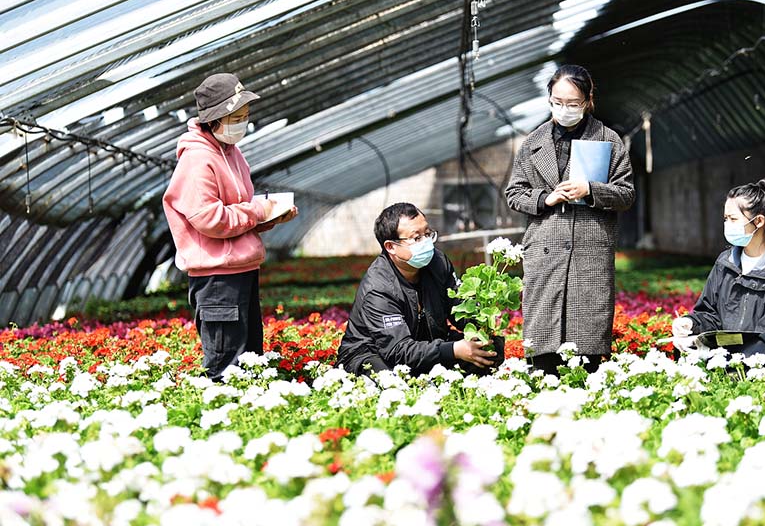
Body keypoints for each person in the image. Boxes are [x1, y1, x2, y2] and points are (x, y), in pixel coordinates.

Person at [163, 73, 298, 380]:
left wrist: (270, 217)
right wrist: (256, 211)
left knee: (250, 357)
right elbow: (209, 219)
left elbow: (238, 213)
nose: (243, 123)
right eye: (236, 117)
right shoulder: (198, 159)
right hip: (217, 279)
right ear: (215, 118)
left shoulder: (232, 153)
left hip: (242, 270)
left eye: (246, 116)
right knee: (227, 364)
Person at [505, 64, 635, 375]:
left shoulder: (608, 140)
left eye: (573, 103)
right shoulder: (533, 142)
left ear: (589, 100)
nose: (564, 110)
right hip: (544, 250)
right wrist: (544, 198)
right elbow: (514, 193)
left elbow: (626, 193)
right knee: (542, 345)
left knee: (585, 346)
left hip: (588, 253)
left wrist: (591, 190)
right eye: (557, 102)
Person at [337, 203, 500, 376]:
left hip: (426, 341)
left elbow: (458, 307)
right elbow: (397, 350)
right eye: (416, 238)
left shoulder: (437, 262)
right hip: (375, 353)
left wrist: (482, 323)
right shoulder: (379, 288)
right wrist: (453, 350)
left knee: (489, 350)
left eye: (427, 234)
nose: (426, 242)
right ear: (391, 247)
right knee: (390, 381)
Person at [671, 179, 765, 358]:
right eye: (725, 219)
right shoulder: (725, 262)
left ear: (759, 221)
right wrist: (691, 323)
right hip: (727, 363)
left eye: (733, 219)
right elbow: (710, 313)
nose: (727, 224)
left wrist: (729, 358)